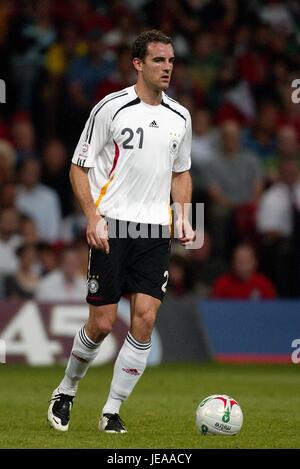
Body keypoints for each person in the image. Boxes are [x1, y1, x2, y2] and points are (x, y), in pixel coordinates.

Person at [47, 30, 195, 434]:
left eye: (170, 60)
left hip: (154, 230)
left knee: (144, 319)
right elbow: (78, 167)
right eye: (159, 60)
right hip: (111, 226)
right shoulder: (110, 108)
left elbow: (181, 172)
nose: (167, 67)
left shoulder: (180, 117)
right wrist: (92, 216)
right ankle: (66, 390)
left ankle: (111, 410)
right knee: (101, 323)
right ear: (138, 63)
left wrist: (183, 216)